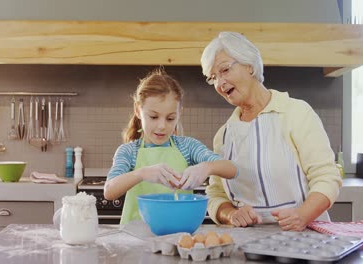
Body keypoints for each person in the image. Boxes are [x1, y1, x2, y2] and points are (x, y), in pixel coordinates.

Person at [200, 32, 343, 231]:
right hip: (247, 245)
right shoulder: (224, 136)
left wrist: (302, 216)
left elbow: (327, 177)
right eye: (213, 78)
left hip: (307, 238)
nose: (220, 83)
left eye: (224, 70)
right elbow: (216, 194)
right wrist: (231, 214)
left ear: (249, 65)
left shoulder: (295, 113)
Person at [103, 68, 237, 225]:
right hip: (137, 239)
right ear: (138, 111)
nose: (162, 126)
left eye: (170, 118)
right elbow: (109, 191)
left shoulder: (187, 147)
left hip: (179, 237)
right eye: (153, 117)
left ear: (179, 113)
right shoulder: (129, 151)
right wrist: (141, 174)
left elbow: (232, 169)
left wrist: (206, 167)